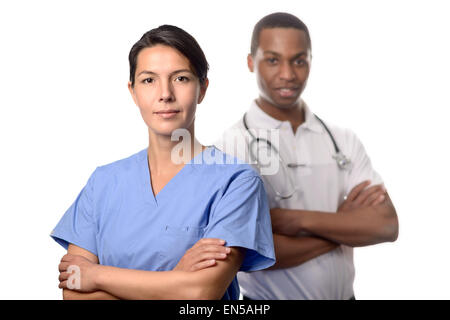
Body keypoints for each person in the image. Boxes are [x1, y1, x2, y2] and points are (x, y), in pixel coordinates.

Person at [51, 25, 275, 300]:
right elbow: (73, 293)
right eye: (148, 80)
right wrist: (176, 279)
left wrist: (96, 275)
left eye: (180, 78)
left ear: (202, 89)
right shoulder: (103, 183)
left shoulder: (237, 182)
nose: (165, 93)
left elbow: (201, 292)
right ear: (133, 91)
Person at [215, 12, 399, 300]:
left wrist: (295, 220)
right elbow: (252, 252)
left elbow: (385, 225)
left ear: (310, 61)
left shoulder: (342, 139)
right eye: (273, 60)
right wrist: (342, 225)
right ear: (251, 62)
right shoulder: (231, 148)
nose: (288, 74)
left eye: (299, 60)